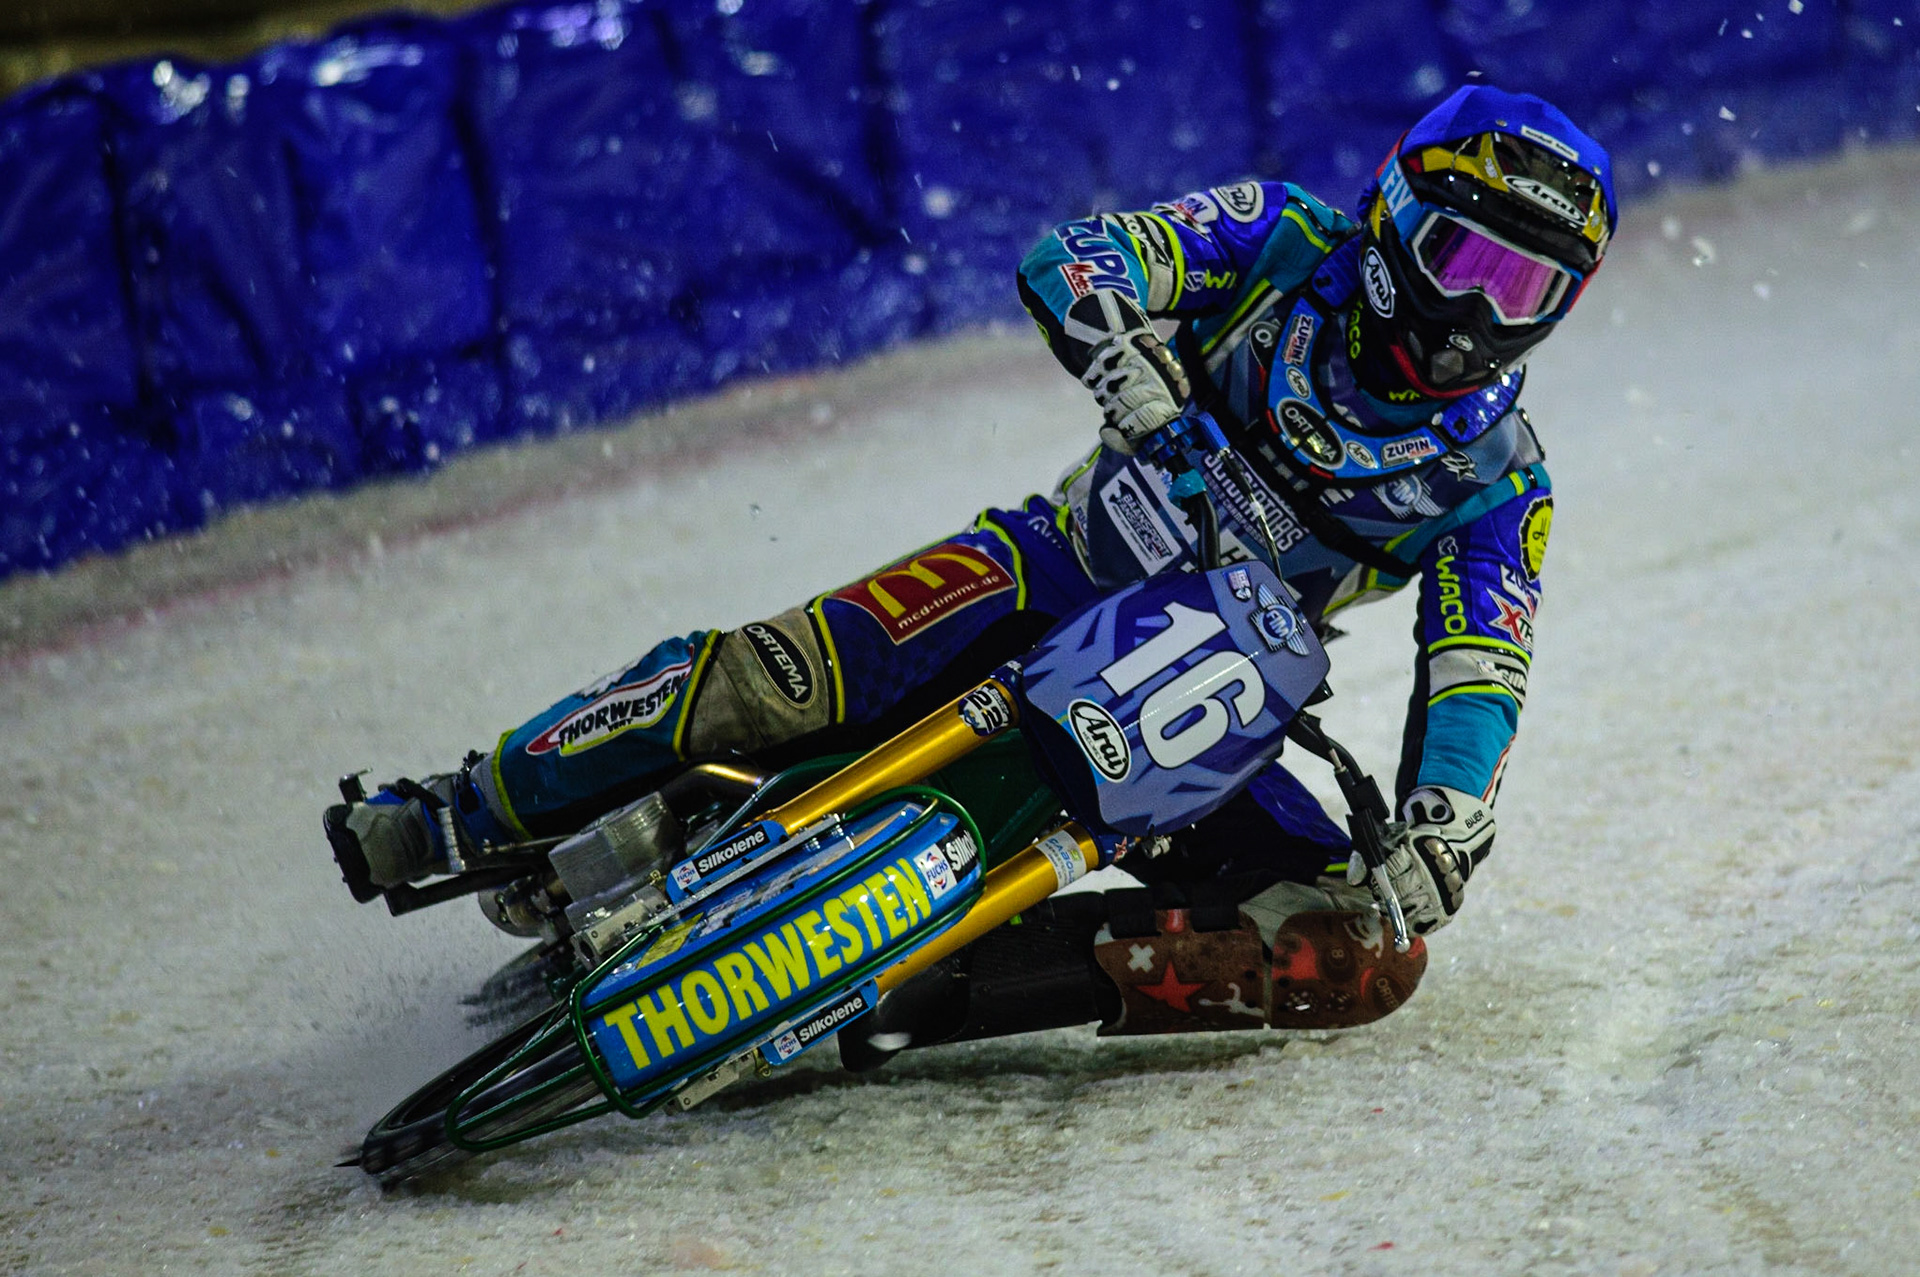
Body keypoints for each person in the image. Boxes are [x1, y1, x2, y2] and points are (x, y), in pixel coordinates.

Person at [325, 85, 1615, 1058]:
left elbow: (1480, 667)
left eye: (1530, 292)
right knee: (779, 682)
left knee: (1355, 958)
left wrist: (1448, 817)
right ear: (1398, 219)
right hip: (1043, 569)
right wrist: (1115, 344)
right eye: (1469, 265)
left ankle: (928, 993)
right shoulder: (1284, 240)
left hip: (1200, 697)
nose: (1483, 317)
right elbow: (1083, 254)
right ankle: (462, 809)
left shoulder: (1502, 481)